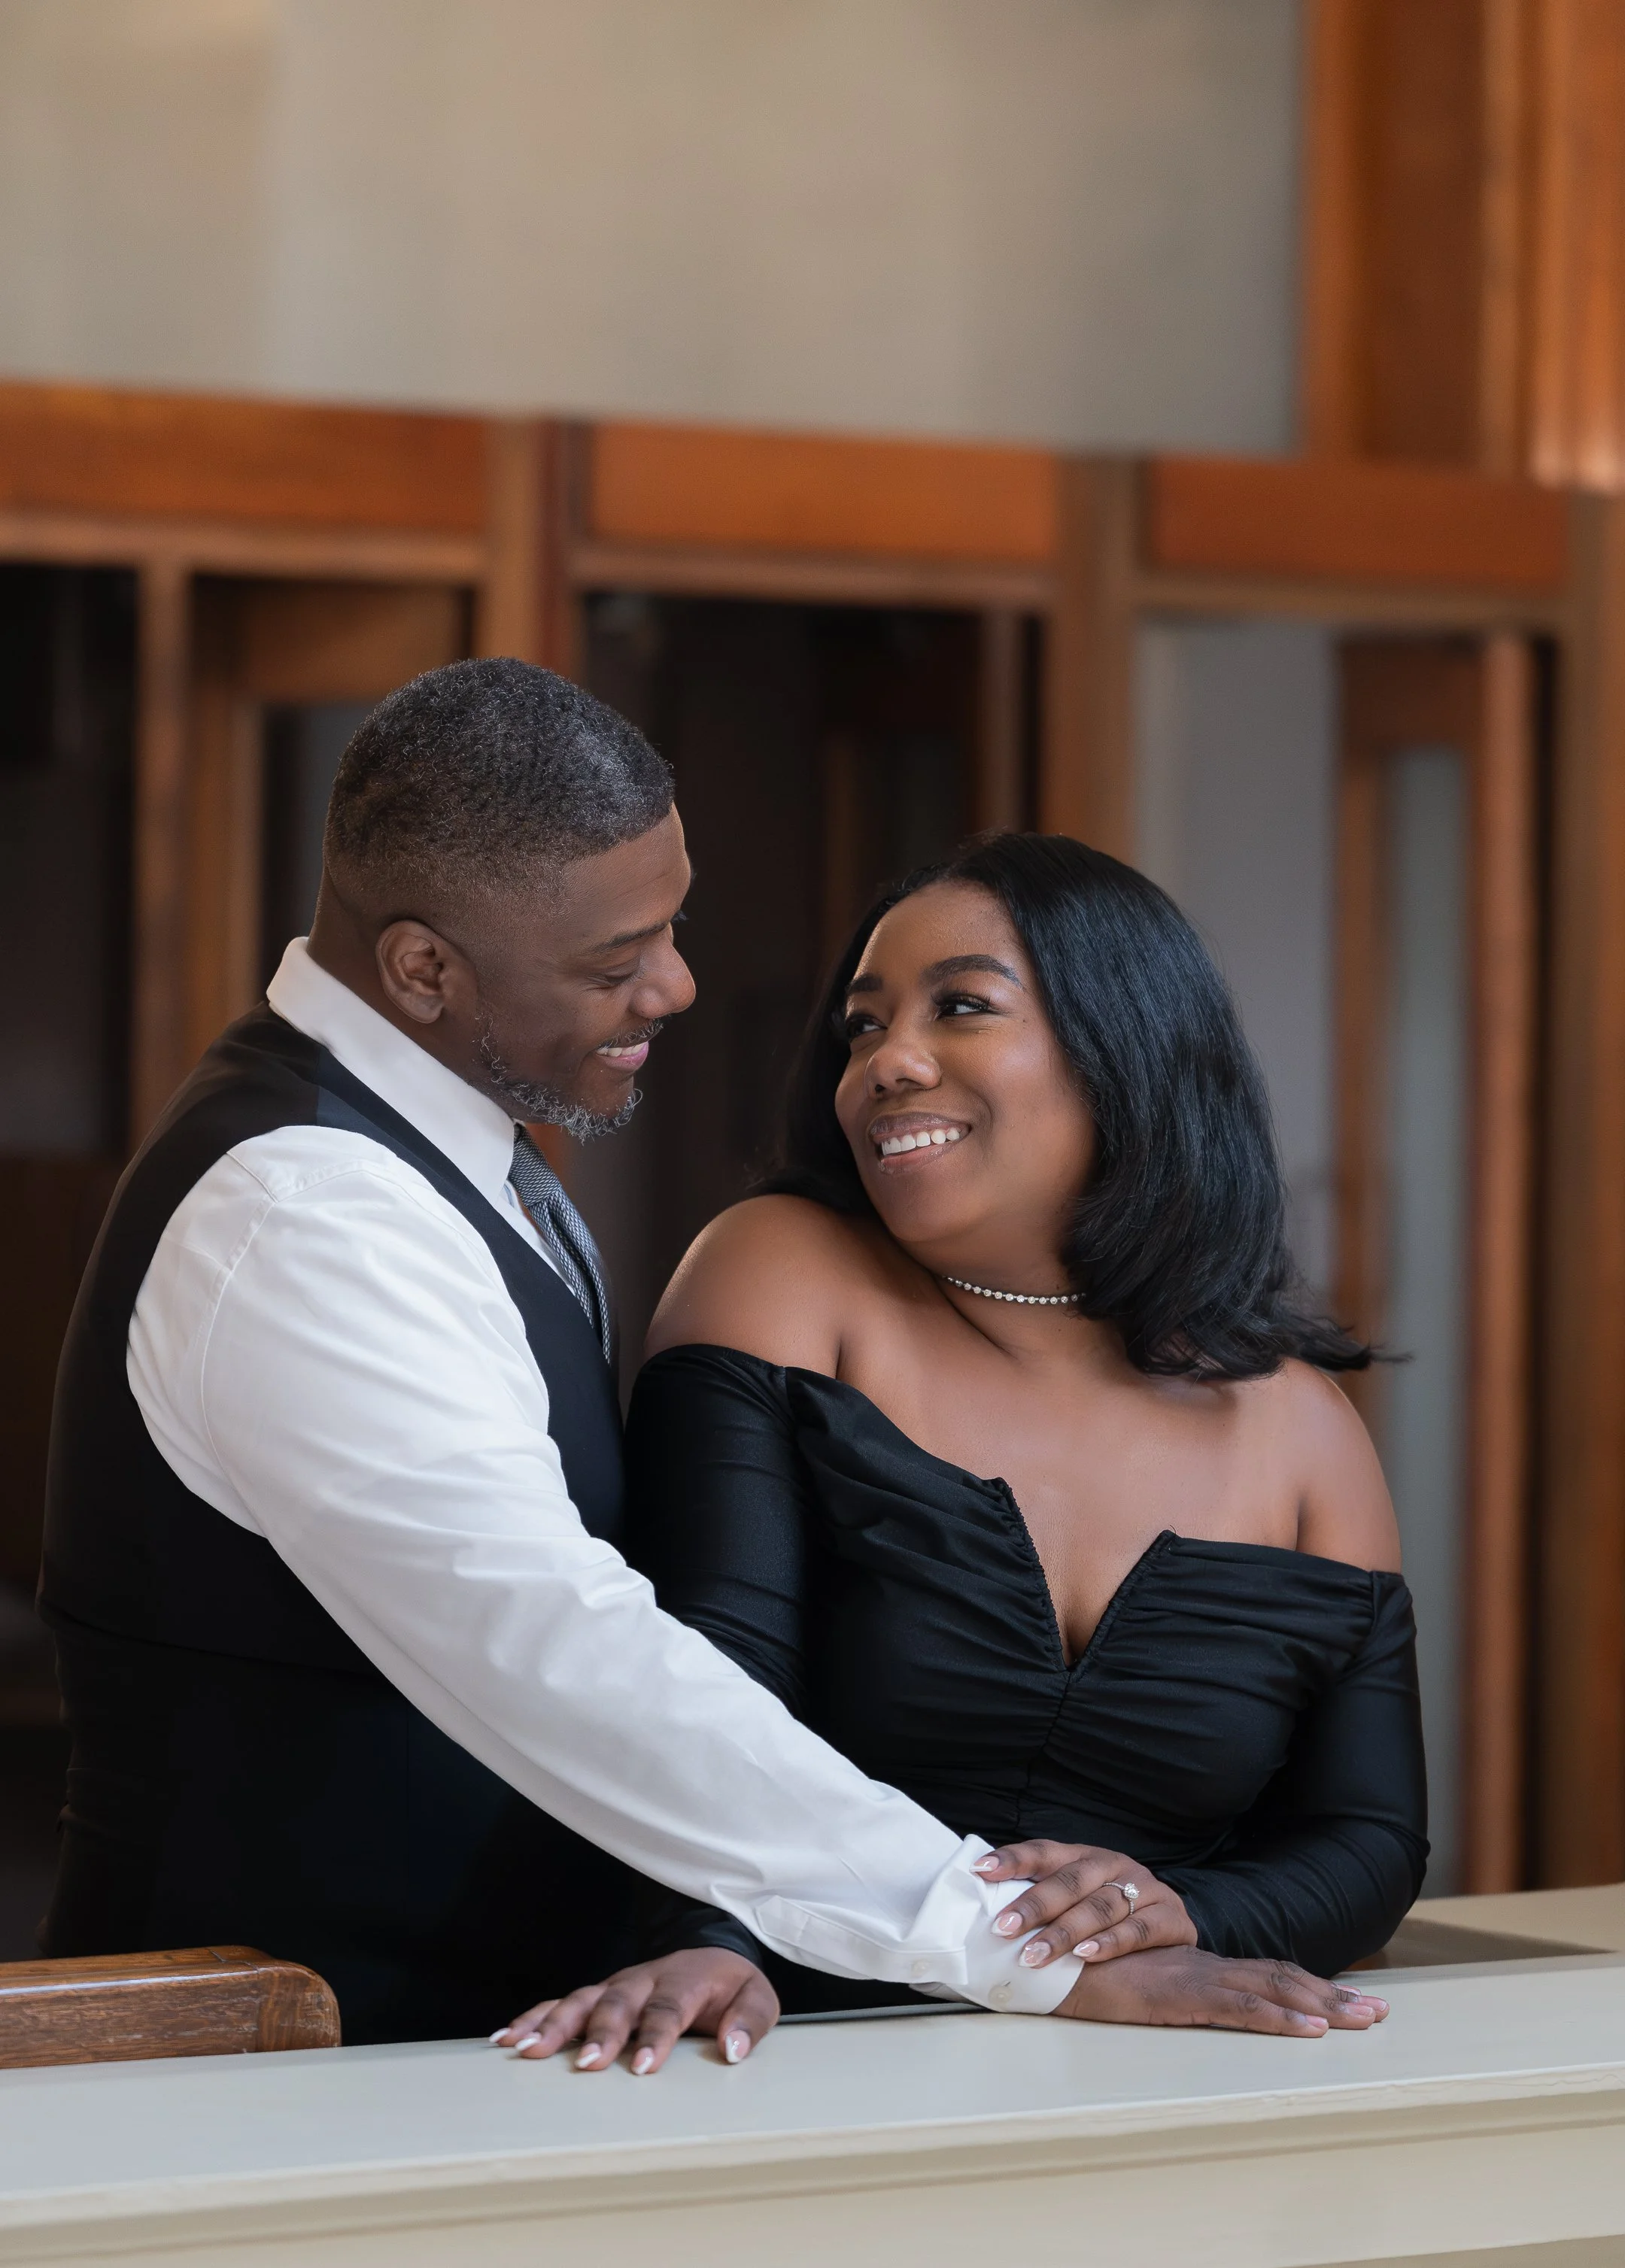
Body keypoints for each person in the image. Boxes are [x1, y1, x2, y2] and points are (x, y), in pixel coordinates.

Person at [41, 660, 1216, 2054]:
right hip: (274, 2066)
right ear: (423, 969)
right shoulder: (306, 1210)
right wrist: (1002, 1935)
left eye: (674, 922)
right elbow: (552, 1642)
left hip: (457, 2052)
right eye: (617, 960)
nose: (678, 982)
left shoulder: (465, 1159)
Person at [498, 831, 1422, 2071]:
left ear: (1128, 1045)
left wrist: (1182, 1914)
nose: (889, 1061)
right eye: (864, 1026)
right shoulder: (783, 1269)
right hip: (781, 2055)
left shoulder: (1304, 1426)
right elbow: (711, 1671)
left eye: (962, 1007)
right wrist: (703, 1933)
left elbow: (1369, 1837)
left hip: (1163, 2076)